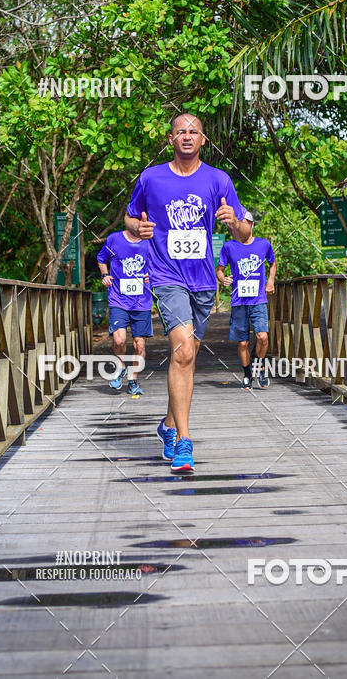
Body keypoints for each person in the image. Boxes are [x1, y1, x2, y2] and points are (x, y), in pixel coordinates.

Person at [125, 113, 252, 472]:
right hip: (166, 276)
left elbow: (244, 233)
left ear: (203, 140)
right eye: (180, 131)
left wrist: (233, 221)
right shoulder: (151, 178)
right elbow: (130, 218)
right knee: (182, 349)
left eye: (193, 131)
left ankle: (167, 425)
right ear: (170, 139)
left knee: (188, 356)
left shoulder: (218, 179)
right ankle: (184, 441)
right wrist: (140, 227)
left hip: (203, 281)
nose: (186, 135)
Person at [217, 221, 276, 389]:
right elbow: (220, 269)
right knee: (242, 343)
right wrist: (223, 278)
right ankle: (248, 374)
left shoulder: (263, 244)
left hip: (258, 299)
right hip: (239, 301)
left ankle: (261, 367)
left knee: (262, 336)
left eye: (246, 223)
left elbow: (273, 263)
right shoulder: (229, 246)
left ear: (252, 225)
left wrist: (270, 281)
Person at [96, 229, 152, 396]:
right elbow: (101, 259)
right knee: (119, 340)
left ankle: (133, 379)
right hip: (118, 299)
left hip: (142, 301)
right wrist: (105, 275)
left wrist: (153, 275)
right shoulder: (114, 239)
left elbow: (162, 264)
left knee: (139, 344)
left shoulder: (151, 241)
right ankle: (121, 368)